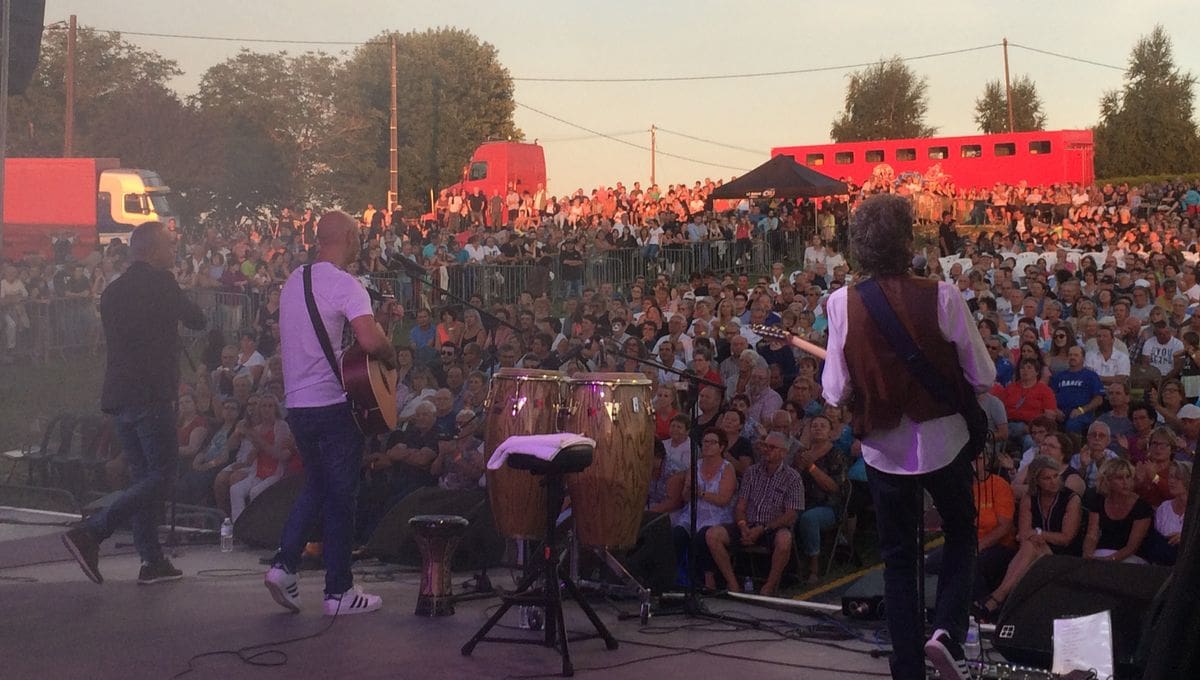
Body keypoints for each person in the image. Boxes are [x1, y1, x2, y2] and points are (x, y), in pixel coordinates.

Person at [821, 194, 995, 680]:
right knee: (961, 534)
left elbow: (835, 390)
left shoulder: (841, 303)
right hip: (945, 440)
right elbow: (981, 376)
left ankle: (907, 669)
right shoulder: (941, 295)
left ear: (858, 245)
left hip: (884, 449)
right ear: (907, 240)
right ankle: (946, 634)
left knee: (898, 560)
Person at [264, 210, 397, 616]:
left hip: (299, 404)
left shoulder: (293, 282)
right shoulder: (346, 284)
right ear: (350, 236)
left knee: (317, 486)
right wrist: (392, 354)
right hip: (333, 405)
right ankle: (338, 591)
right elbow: (370, 342)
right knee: (342, 497)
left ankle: (284, 565)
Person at [62, 221, 206, 585]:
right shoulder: (162, 283)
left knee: (144, 478)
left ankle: (152, 560)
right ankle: (94, 531)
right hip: (151, 394)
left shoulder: (112, 292)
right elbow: (198, 320)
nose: (173, 254)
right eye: (170, 248)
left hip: (119, 395)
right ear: (153, 250)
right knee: (163, 475)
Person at [704, 431, 804, 596]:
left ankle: (769, 586)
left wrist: (763, 528)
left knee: (784, 539)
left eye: (772, 447)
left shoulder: (793, 478)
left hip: (772, 526)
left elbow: (791, 515)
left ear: (783, 452)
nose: (766, 450)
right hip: (748, 523)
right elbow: (740, 506)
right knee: (712, 535)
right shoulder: (752, 472)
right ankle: (733, 583)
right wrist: (743, 526)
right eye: (765, 445)